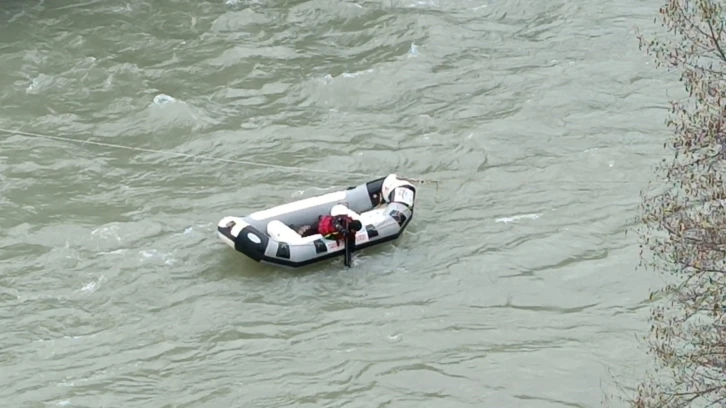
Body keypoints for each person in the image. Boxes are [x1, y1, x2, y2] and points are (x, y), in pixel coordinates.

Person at [297, 214, 362, 240]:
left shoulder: (348, 222)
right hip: (321, 227)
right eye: (355, 230)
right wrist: (341, 230)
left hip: (324, 225)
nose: (355, 232)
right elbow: (329, 235)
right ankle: (295, 228)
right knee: (304, 234)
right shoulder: (344, 221)